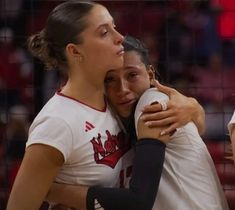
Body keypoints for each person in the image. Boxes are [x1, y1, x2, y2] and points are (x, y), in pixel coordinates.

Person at [6, 2, 169, 210]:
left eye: (114, 26)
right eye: (104, 32)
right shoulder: (57, 124)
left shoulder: (116, 99)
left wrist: (190, 107)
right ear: (75, 52)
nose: (119, 37)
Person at [45, 36, 228, 210]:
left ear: (150, 74)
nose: (122, 89)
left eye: (132, 75)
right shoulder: (114, 122)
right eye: (110, 79)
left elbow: (138, 202)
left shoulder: (151, 101)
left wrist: (50, 190)